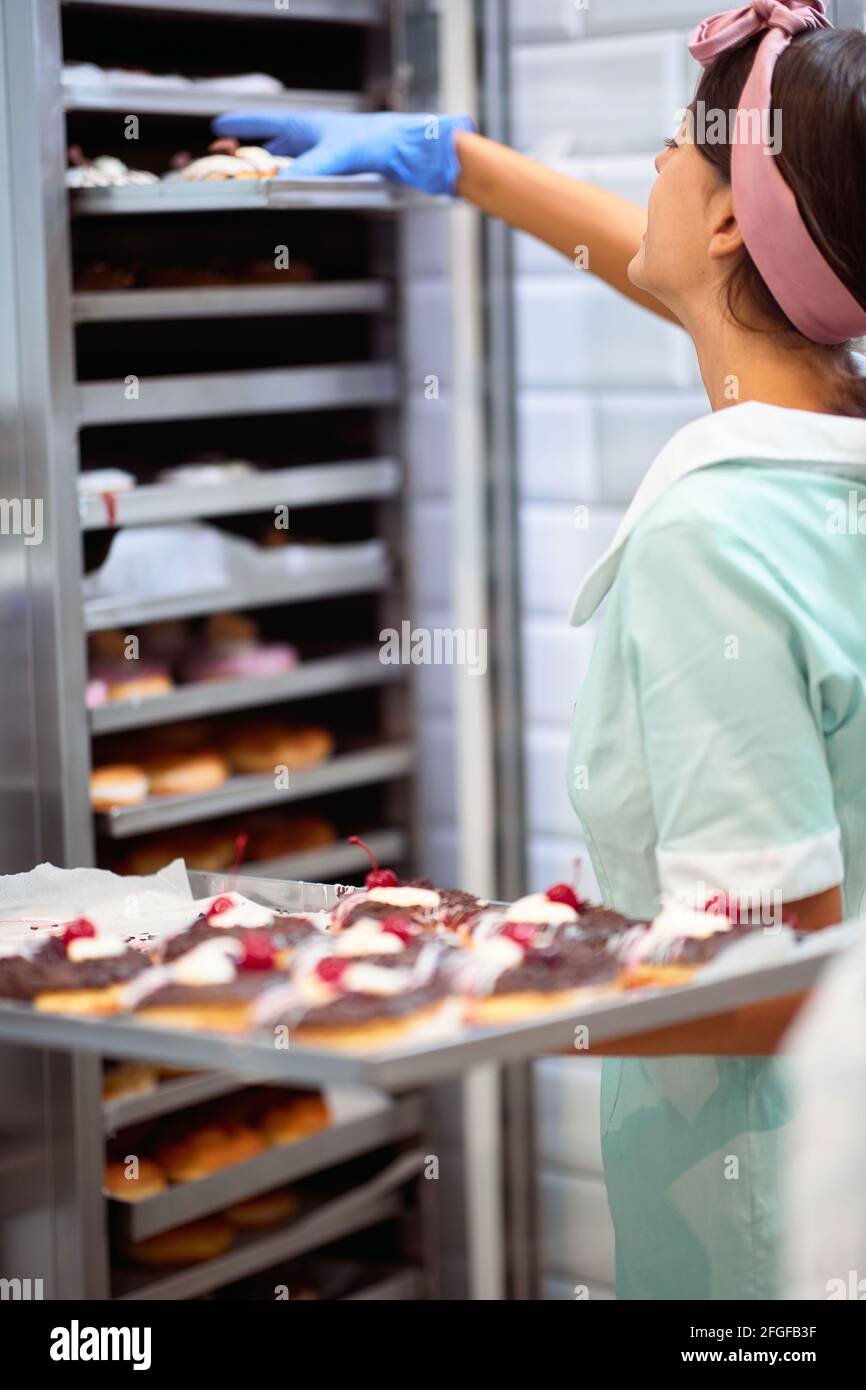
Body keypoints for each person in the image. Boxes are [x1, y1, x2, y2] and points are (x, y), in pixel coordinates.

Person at [215, 1, 866, 1299]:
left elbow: (777, 978)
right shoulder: (827, 459)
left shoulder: (712, 539)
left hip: (765, 1228)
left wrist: (439, 995)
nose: (653, 166)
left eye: (673, 144)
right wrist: (453, 157)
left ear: (729, 219)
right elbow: (737, 283)